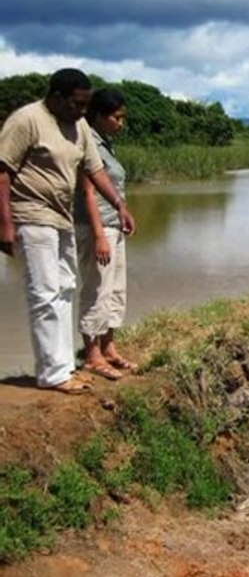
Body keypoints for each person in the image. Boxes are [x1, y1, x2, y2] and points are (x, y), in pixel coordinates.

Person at [0, 68, 135, 394]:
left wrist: (119, 204)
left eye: (86, 105)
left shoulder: (79, 126)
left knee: (65, 289)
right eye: (77, 104)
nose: (82, 111)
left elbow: (95, 170)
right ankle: (53, 373)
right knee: (45, 293)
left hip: (62, 217)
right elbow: (3, 173)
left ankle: (63, 366)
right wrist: (5, 224)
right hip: (31, 214)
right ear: (58, 98)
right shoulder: (27, 120)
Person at [75, 88, 137, 380]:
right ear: (98, 115)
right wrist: (99, 234)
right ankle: (92, 354)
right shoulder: (87, 141)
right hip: (95, 226)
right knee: (97, 288)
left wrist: (122, 211)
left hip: (113, 224)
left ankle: (109, 347)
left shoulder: (105, 143)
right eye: (116, 117)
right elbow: (87, 192)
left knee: (115, 288)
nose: (120, 123)